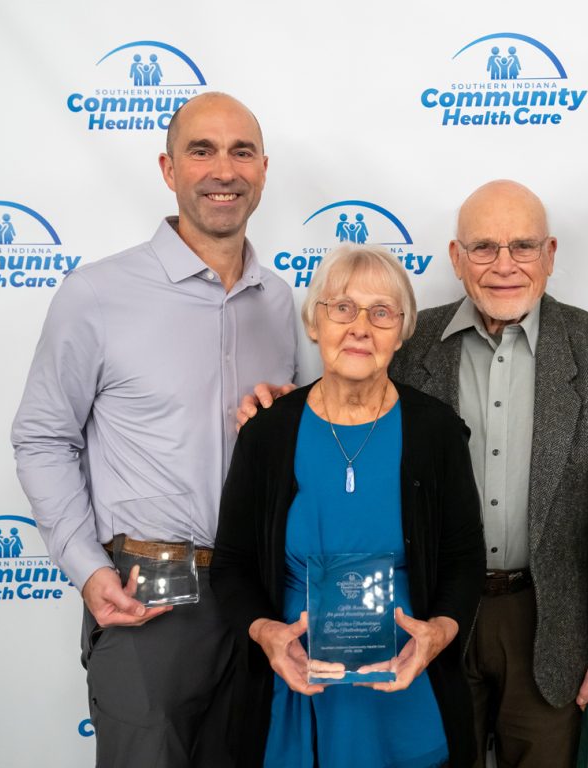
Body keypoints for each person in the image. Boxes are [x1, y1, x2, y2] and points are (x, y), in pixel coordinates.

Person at [241, 180, 588, 767]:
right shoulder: (405, 335)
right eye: (483, 248)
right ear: (456, 259)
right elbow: (345, 390)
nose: (504, 266)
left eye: (523, 247)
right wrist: (276, 408)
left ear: (550, 254)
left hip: (546, 622)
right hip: (422, 614)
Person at [11, 92, 298, 767]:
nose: (222, 170)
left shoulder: (281, 301)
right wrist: (85, 568)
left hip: (257, 594)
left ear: (263, 170)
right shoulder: (98, 294)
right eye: (201, 151)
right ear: (169, 170)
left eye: (241, 152)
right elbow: (43, 436)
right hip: (149, 593)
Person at [211, 244, 484, 768]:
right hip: (294, 685)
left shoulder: (437, 430)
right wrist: (267, 634)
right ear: (314, 323)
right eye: (342, 308)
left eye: (381, 312)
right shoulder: (268, 433)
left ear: (403, 331)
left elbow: (463, 560)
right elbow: (231, 566)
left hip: (406, 682)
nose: (360, 327)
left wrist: (440, 633)